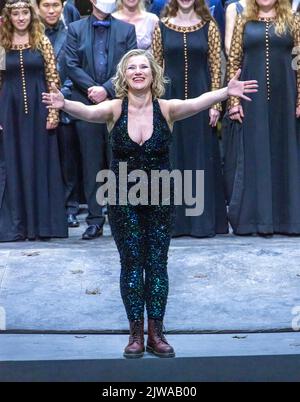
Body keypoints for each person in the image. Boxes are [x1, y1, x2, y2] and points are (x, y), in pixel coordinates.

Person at [42, 49, 258, 357]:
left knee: (157, 264)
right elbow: (88, 113)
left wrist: (226, 91)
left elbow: (197, 103)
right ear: (125, 75)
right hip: (122, 197)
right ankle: (135, 335)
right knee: (131, 264)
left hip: (160, 195)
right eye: (133, 68)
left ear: (153, 74)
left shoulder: (167, 109)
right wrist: (65, 105)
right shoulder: (115, 109)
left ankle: (156, 333)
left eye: (144, 66)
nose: (139, 71)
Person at [152, 0, 228, 238]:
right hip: (170, 101)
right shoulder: (161, 26)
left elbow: (217, 67)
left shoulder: (209, 26)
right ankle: (174, 224)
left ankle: (201, 223)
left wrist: (216, 104)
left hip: (201, 100)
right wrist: (154, 105)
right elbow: (155, 67)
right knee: (172, 158)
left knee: (200, 157)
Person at [223, 0, 300, 236]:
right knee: (255, 155)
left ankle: (289, 221)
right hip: (251, 98)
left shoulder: (294, 21)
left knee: (286, 153)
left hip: (286, 96)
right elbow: (234, 60)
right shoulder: (244, 20)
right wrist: (233, 101)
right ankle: (255, 221)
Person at [64, 0, 137, 240]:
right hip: (85, 103)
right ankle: (94, 220)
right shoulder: (75, 29)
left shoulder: (127, 30)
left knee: (119, 163)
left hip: (117, 104)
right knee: (91, 163)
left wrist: (106, 89)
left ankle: (122, 220)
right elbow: (71, 65)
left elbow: (129, 66)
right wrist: (92, 89)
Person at [0, 0, 68, 241]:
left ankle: (44, 225)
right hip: (9, 111)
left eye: (24, 13)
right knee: (14, 162)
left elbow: (52, 77)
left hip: (39, 110)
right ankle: (18, 226)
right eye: (15, 14)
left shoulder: (42, 41)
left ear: (31, 15)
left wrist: (53, 112)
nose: (20, 18)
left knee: (40, 162)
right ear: (8, 16)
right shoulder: (2, 43)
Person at [37, 0, 81, 228]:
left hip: (66, 101)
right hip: (35, 103)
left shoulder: (72, 32)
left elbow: (76, 65)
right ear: (38, 8)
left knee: (67, 158)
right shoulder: (30, 34)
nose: (51, 10)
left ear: (63, 7)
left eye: (55, 5)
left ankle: (71, 207)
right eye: (46, 5)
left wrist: (62, 95)